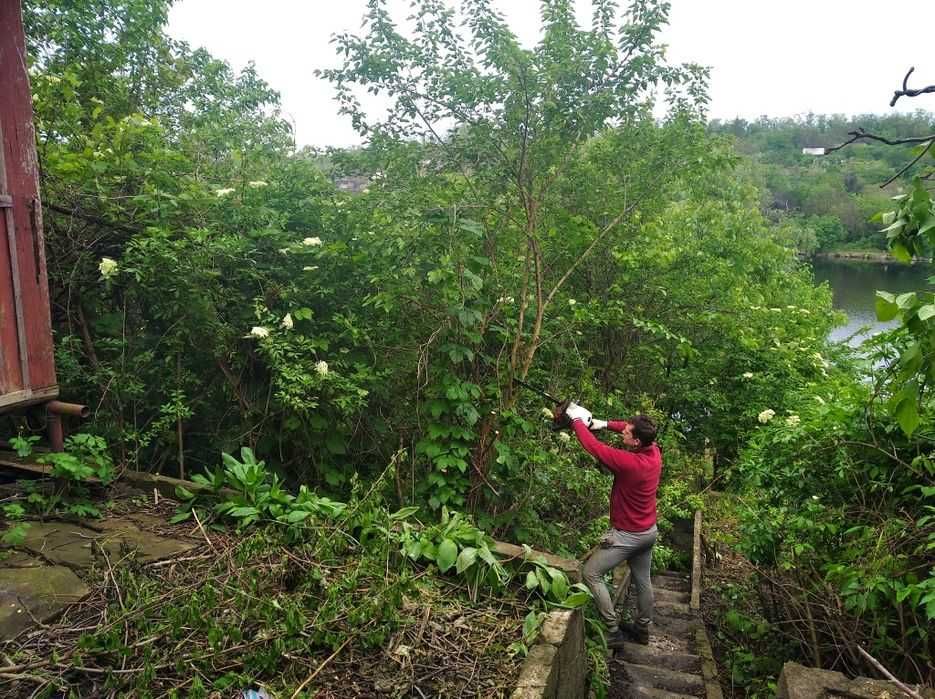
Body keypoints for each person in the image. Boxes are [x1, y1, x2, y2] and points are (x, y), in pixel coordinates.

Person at [564, 403, 662, 648]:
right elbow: (624, 428)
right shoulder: (653, 451)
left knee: (591, 573)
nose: (623, 432)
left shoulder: (629, 464)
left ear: (636, 442)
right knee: (643, 581)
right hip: (648, 532)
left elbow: (594, 448)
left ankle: (613, 630)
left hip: (628, 535)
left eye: (627, 433)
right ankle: (642, 630)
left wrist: (576, 421)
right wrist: (601, 424)